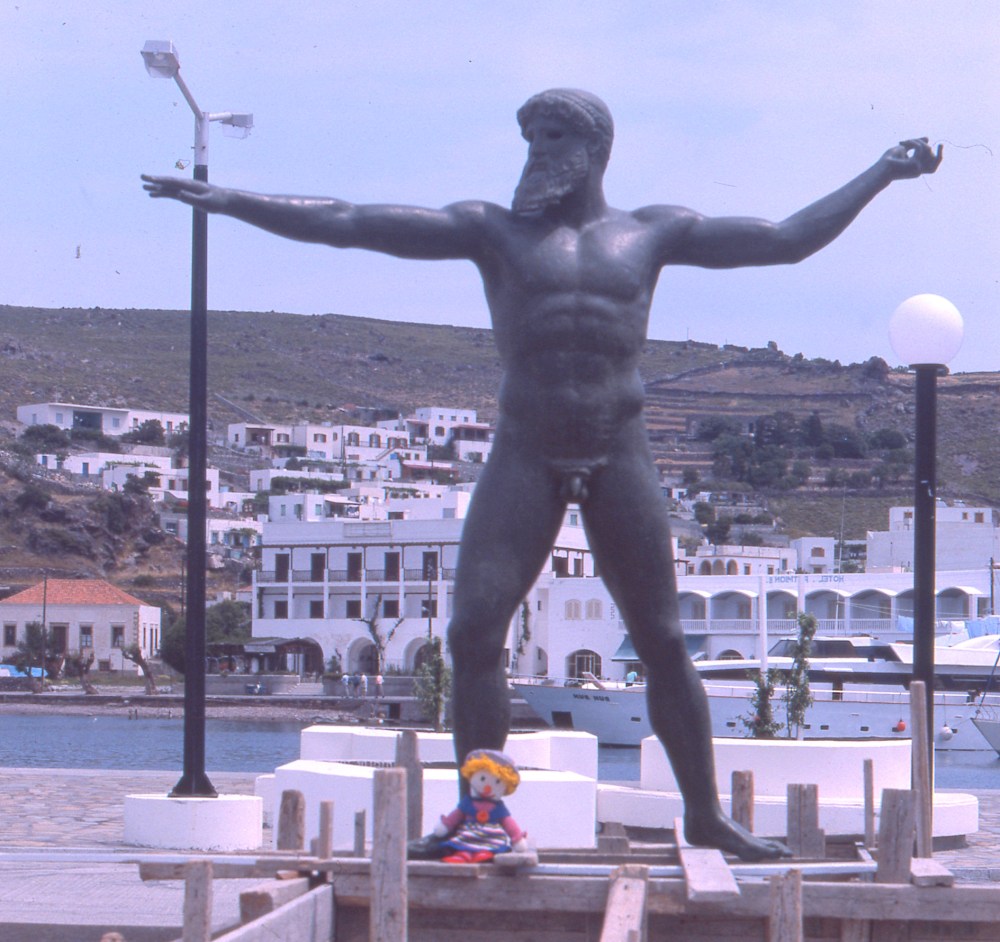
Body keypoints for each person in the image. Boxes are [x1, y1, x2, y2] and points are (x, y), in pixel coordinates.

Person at [143, 89, 941, 860]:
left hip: (619, 446)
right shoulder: (491, 232)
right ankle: (478, 817)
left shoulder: (655, 232)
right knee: (474, 632)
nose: (536, 153)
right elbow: (353, 222)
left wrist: (881, 171)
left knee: (663, 640)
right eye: (529, 139)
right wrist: (230, 200)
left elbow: (785, 238)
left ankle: (704, 817)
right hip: (525, 448)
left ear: (595, 148)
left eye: (552, 138)